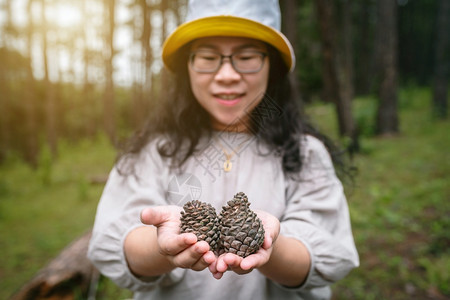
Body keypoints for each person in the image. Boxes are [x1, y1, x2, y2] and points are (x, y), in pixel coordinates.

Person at [87, 0, 359, 299]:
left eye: (247, 56)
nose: (227, 74)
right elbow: (117, 244)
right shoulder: (153, 152)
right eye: (207, 57)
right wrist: (164, 245)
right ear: (186, 67)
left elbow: (324, 256)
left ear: (273, 66)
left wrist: (269, 244)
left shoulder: (307, 154)